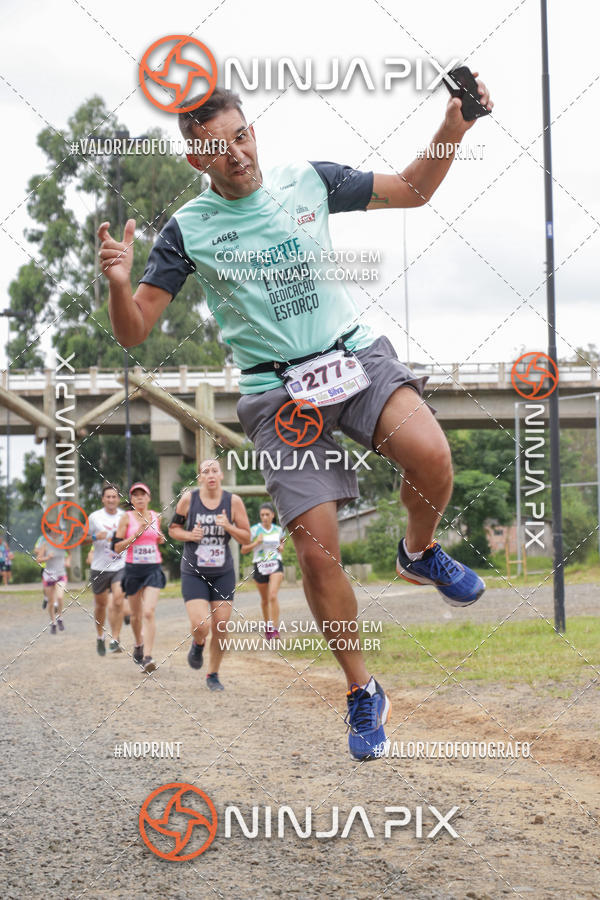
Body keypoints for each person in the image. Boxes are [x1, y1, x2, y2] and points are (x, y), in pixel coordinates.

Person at [99, 77, 493, 760]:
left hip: (352, 357)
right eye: (218, 149)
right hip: (277, 394)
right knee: (313, 547)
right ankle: (362, 691)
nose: (237, 155)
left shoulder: (306, 180)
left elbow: (412, 188)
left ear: (253, 131)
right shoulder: (187, 231)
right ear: (196, 158)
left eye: (242, 136)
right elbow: (135, 332)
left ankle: (420, 551)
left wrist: (454, 127)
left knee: (431, 456)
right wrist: (115, 284)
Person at [168, 458, 251, 691]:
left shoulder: (233, 502)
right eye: (206, 471)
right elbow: (173, 530)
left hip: (222, 572)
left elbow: (246, 538)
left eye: (215, 470)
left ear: (221, 475)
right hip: (194, 572)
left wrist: (229, 527)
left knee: (222, 625)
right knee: (201, 624)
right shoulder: (189, 499)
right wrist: (189, 536)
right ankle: (198, 641)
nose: (211, 475)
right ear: (200, 478)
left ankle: (212, 674)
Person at [113, 483, 166, 673]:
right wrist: (135, 535)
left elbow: (159, 539)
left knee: (149, 612)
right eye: (135, 496)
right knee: (135, 616)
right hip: (133, 570)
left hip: (153, 568)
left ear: (149, 498)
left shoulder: (156, 517)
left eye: (143, 495)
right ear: (132, 500)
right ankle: (138, 644)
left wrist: (161, 539)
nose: (139, 498)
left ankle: (148, 657)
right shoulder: (125, 519)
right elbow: (117, 547)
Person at [83, 483, 127, 656]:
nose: (111, 499)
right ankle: (100, 637)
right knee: (101, 605)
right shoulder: (94, 517)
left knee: (118, 599)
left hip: (120, 565)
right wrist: (95, 536)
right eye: (108, 496)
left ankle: (115, 639)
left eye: (114, 496)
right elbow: (81, 539)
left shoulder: (125, 516)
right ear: (103, 499)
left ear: (118, 499)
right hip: (100, 567)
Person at [241, 503, 284, 640]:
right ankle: (268, 627)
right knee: (265, 600)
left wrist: (281, 547)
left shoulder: (279, 530)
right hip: (260, 565)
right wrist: (256, 543)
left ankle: (275, 629)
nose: (265, 517)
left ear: (273, 515)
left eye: (267, 514)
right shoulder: (254, 530)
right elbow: (244, 550)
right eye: (262, 515)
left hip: (275, 563)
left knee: (272, 595)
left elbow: (281, 543)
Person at [35, 540, 70, 634]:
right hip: (48, 575)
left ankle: (60, 617)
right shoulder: (45, 545)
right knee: (51, 602)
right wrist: (48, 557)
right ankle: (53, 622)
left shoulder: (64, 544)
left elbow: (69, 555)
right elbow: (38, 559)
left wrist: (67, 562)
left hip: (61, 575)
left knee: (60, 597)